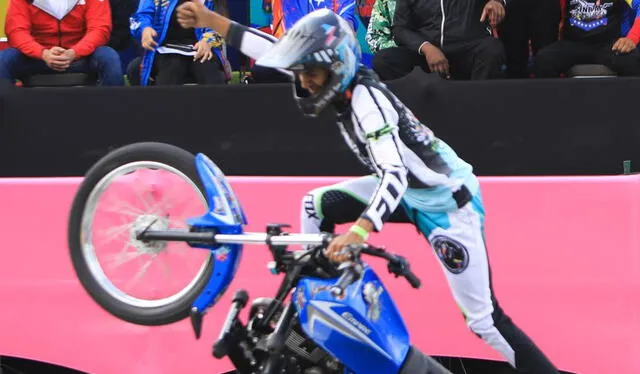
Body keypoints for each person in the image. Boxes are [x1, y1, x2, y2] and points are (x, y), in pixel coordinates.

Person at [176, 3, 559, 373]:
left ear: (337, 67)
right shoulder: (341, 84)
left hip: (447, 204)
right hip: (407, 193)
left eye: (313, 73)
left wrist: (359, 231)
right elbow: (272, 50)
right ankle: (316, 312)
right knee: (315, 206)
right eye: (303, 72)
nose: (306, 82)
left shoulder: (367, 102)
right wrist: (212, 20)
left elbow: (394, 175)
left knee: (484, 321)